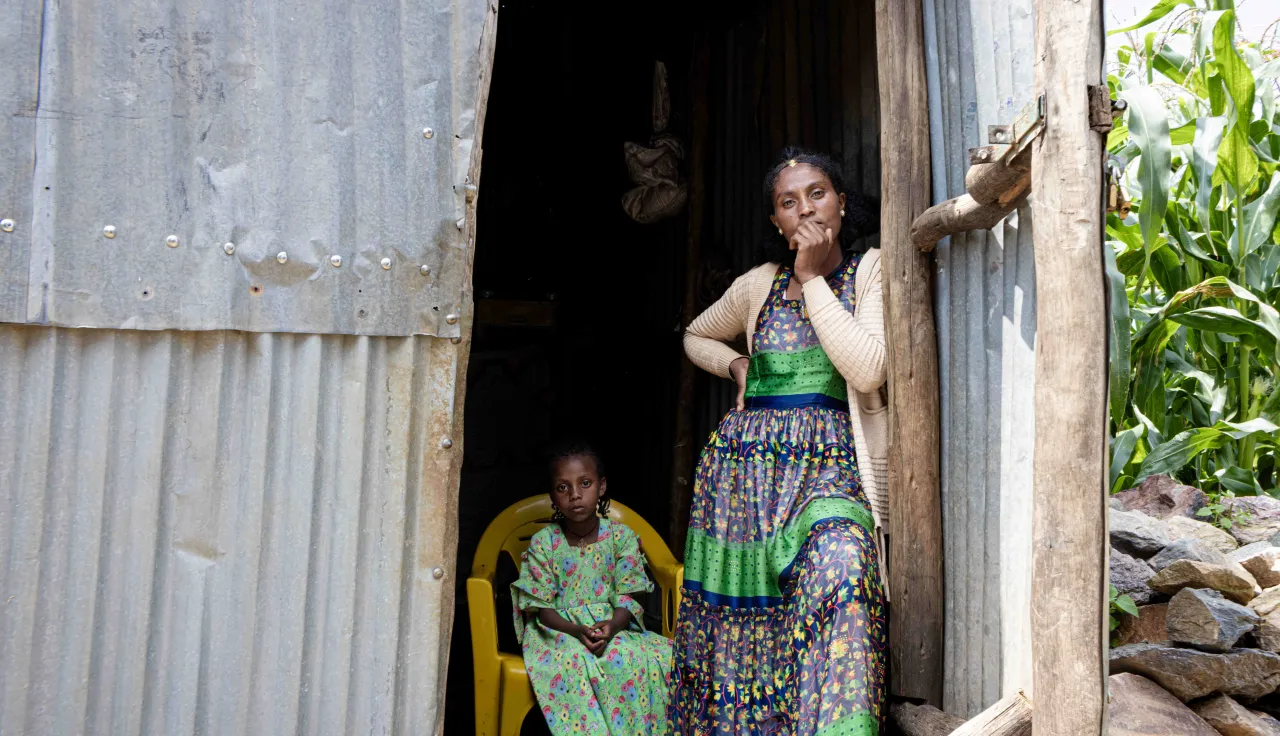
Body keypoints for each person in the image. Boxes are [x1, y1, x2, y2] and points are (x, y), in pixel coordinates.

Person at [668, 148, 889, 735]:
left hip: (827, 474)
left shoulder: (870, 273)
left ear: (842, 202)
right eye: (787, 203)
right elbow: (695, 335)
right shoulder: (756, 286)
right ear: (776, 223)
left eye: (817, 193)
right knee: (747, 627)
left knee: (843, 570)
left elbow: (866, 369)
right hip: (741, 481)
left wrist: (814, 279)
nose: (805, 209)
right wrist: (739, 366)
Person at [512, 441, 673, 735]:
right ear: (552, 497)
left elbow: (627, 596)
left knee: (631, 657)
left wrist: (613, 625)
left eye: (584, 483)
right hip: (559, 632)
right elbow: (543, 610)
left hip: (612, 624)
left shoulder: (621, 537)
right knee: (574, 663)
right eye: (563, 487)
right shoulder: (544, 543)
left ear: (601, 487)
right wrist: (577, 631)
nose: (575, 495)